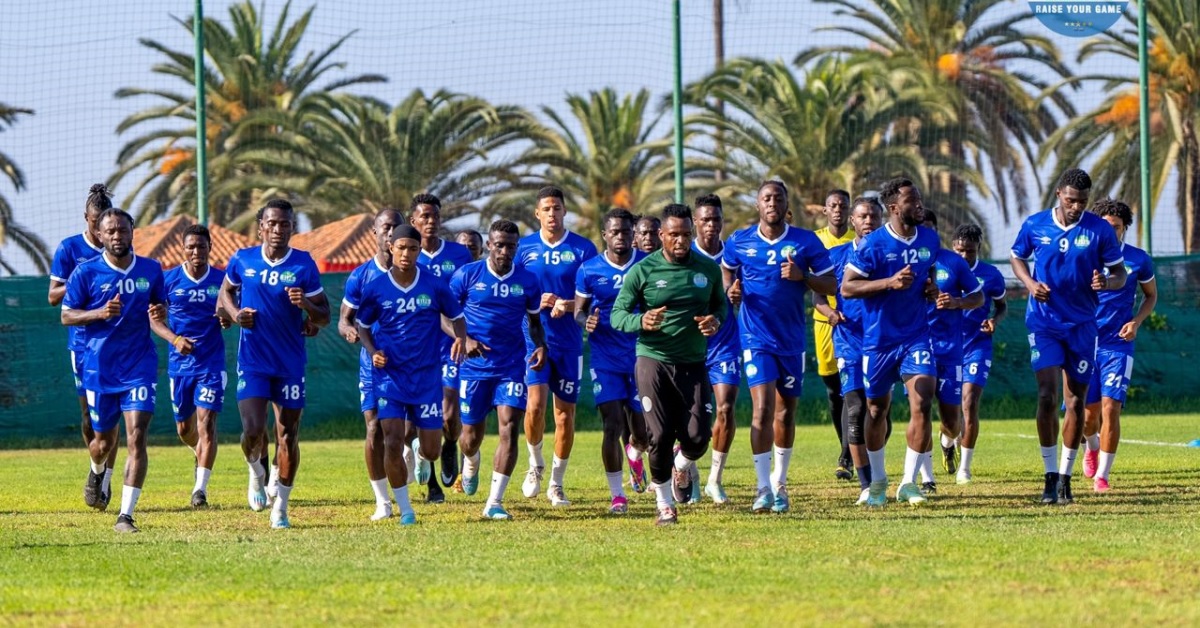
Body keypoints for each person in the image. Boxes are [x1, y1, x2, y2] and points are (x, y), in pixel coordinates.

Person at [1010, 167, 1125, 505]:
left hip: (1083, 325)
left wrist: (1106, 281)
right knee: (1047, 395)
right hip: (1044, 323)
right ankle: (1048, 477)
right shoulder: (1035, 224)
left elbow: (1118, 273)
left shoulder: (1099, 230)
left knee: (1075, 401)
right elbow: (1017, 257)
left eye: (1083, 202)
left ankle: (1065, 477)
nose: (1077, 207)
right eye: (1072, 200)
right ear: (1059, 194)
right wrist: (1030, 284)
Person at [722, 181, 836, 513]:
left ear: (787, 205)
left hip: (791, 341)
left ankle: (780, 484)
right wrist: (731, 292)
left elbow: (831, 283)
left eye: (778, 198)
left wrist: (803, 277)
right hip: (755, 339)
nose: (772, 202)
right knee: (762, 410)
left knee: (785, 413)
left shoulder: (805, 241)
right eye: (766, 198)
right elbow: (727, 270)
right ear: (758, 205)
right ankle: (762, 489)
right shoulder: (740, 241)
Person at [611, 204, 726, 526]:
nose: (681, 241)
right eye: (674, 235)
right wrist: (641, 320)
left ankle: (681, 465)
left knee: (699, 437)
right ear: (661, 235)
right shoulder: (643, 270)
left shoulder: (707, 269)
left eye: (686, 234)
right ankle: (663, 505)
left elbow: (721, 305)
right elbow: (617, 315)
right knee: (658, 436)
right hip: (653, 362)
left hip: (692, 362)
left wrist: (715, 321)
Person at [219, 199, 331, 529]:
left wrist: (306, 303)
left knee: (288, 434)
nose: (278, 229)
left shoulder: (304, 264)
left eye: (285, 224)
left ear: (292, 228)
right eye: (272, 223)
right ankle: (256, 472)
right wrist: (236, 314)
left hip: (289, 363)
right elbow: (224, 294)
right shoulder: (243, 259)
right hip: (253, 361)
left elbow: (324, 315)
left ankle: (281, 505)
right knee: (253, 431)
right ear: (261, 227)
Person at [355, 225, 469, 526]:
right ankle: (405, 509)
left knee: (431, 451)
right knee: (391, 440)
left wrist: (460, 338)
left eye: (413, 249)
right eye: (402, 248)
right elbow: (362, 324)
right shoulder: (376, 287)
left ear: (420, 251)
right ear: (391, 247)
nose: (407, 254)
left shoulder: (434, 285)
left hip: (426, 378)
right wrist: (372, 349)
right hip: (390, 377)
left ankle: (420, 448)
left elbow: (457, 317)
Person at [62, 208, 167, 532]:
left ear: (132, 230)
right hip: (100, 369)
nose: (117, 236)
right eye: (110, 232)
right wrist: (99, 312)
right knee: (102, 444)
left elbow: (159, 308)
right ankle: (97, 470)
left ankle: (126, 515)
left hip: (139, 365)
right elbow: (67, 315)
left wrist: (161, 310)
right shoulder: (86, 272)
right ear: (100, 234)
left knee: (137, 436)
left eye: (122, 230)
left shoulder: (151, 269)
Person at [842, 177, 941, 507]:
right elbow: (847, 288)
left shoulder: (929, 238)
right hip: (879, 342)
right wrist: (889, 282)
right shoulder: (873, 245)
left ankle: (909, 482)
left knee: (923, 400)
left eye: (919, 198)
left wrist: (931, 289)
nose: (919, 204)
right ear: (895, 208)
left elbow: (929, 274)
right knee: (876, 410)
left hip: (916, 336)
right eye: (912, 200)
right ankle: (879, 481)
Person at [449, 220, 547, 520]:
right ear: (489, 244)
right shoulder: (467, 275)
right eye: (500, 244)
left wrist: (541, 345)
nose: (505, 251)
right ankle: (471, 460)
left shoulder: (528, 281)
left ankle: (494, 502)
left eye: (511, 246)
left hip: (511, 366)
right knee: (469, 436)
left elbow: (534, 323)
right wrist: (462, 339)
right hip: (474, 369)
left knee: (509, 427)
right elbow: (443, 313)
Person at [516, 186, 597, 506]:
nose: (552, 214)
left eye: (557, 209)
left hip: (569, 342)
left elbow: (594, 297)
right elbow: (513, 293)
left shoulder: (583, 249)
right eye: (546, 209)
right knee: (534, 406)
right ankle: (535, 464)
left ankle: (557, 483)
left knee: (565, 415)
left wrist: (569, 304)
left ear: (565, 212)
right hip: (534, 341)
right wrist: (538, 301)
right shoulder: (523, 249)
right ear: (537, 214)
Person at [574, 208, 650, 514]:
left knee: (642, 433)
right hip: (605, 358)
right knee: (611, 425)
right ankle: (617, 495)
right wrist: (585, 322)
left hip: (641, 356)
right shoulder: (589, 270)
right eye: (615, 232)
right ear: (604, 235)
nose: (621, 236)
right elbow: (579, 310)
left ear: (634, 234)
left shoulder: (647, 264)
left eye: (626, 231)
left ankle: (636, 451)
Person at [149, 224, 230, 508]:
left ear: (210, 248)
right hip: (180, 367)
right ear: (183, 249)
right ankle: (198, 453)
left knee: (206, 424)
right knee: (185, 429)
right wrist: (174, 339)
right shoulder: (168, 280)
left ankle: (200, 490)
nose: (196, 251)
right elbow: (154, 319)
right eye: (191, 246)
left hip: (211, 364)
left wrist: (226, 318)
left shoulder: (222, 280)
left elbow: (231, 311)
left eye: (201, 246)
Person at [49, 184, 116, 510]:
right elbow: (52, 296)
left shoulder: (117, 248)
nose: (100, 229)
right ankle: (97, 466)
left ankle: (104, 478)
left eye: (104, 223)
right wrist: (78, 276)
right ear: (86, 219)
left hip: (115, 344)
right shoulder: (69, 249)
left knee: (112, 416)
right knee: (90, 418)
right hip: (81, 346)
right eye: (94, 223)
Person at [1081, 198, 1156, 493]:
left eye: (1116, 227)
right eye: (1105, 226)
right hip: (1085, 343)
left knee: (1111, 408)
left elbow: (1150, 296)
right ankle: (1091, 445)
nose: (1111, 232)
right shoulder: (1085, 256)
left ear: (1125, 228)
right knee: (1088, 417)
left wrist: (1136, 322)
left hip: (1118, 345)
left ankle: (1103, 475)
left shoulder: (1138, 259)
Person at [815, 197, 883, 504]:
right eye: (863, 216)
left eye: (873, 216)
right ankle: (867, 484)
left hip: (883, 342)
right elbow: (818, 294)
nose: (868, 220)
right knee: (854, 410)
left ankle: (875, 470)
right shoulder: (836, 255)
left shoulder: (888, 254)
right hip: (849, 342)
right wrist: (829, 313)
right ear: (852, 222)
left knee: (878, 412)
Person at [338, 208, 403, 519]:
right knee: (375, 428)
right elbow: (343, 320)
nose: (391, 232)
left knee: (410, 431)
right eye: (386, 227)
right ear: (375, 233)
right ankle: (383, 501)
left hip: (413, 364)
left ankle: (412, 454)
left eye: (397, 227)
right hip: (374, 364)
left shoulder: (420, 274)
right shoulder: (361, 276)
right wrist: (350, 331)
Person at [411, 194, 475, 502]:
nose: (430, 221)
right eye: (424, 216)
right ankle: (433, 483)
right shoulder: (407, 256)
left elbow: (467, 300)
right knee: (420, 418)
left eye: (435, 216)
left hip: (451, 346)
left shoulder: (460, 255)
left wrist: (467, 334)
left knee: (449, 416)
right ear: (413, 222)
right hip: (416, 348)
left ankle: (451, 445)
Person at [917, 209, 983, 493]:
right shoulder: (900, 261)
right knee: (919, 411)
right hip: (916, 348)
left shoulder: (953, 263)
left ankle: (948, 442)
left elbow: (978, 297)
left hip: (950, 351)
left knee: (951, 421)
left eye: (930, 230)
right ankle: (926, 478)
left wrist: (956, 302)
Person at [692, 194, 741, 504]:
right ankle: (689, 475)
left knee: (725, 408)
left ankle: (714, 479)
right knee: (692, 419)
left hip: (725, 345)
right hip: (689, 348)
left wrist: (739, 294)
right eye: (705, 220)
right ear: (696, 222)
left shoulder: (736, 254)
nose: (711, 225)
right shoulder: (682, 254)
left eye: (716, 220)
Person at [952, 224, 1007, 484]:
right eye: (960, 250)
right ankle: (947, 439)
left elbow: (1002, 306)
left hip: (977, 345)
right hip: (947, 348)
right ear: (953, 247)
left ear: (978, 250)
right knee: (949, 413)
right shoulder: (941, 270)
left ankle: (964, 467)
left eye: (970, 252)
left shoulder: (991, 275)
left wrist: (995, 320)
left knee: (970, 401)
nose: (964, 256)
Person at [812, 189, 856, 480]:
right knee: (833, 391)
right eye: (833, 205)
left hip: (854, 324)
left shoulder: (858, 239)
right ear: (825, 210)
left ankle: (847, 455)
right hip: (824, 322)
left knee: (851, 390)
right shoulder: (814, 240)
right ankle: (848, 448)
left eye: (843, 205)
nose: (838, 209)